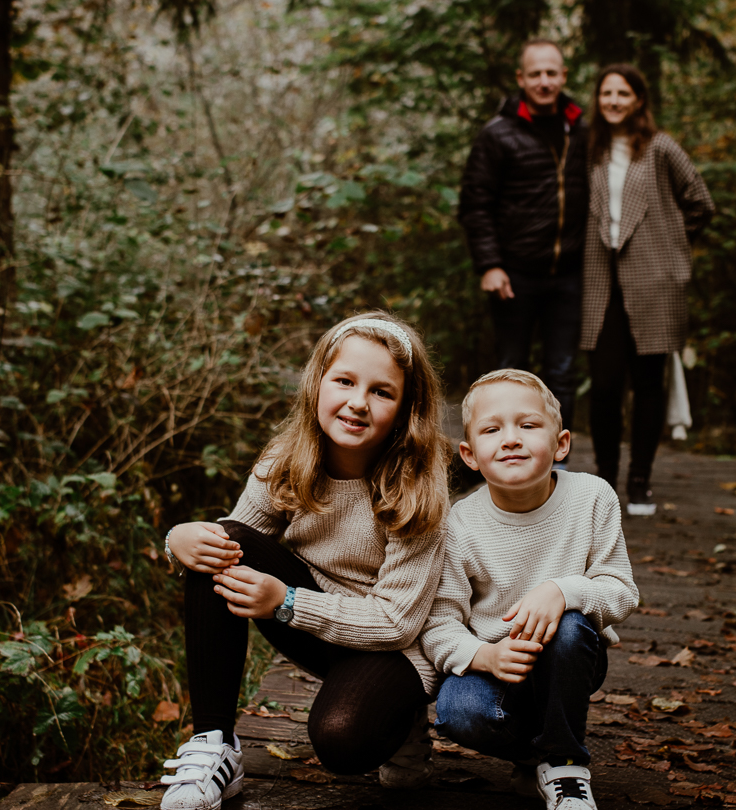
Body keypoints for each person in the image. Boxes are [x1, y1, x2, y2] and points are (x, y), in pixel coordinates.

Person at [157, 312, 452, 809]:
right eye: (344, 381)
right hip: (316, 627)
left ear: (405, 410)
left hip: (395, 649)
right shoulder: (286, 463)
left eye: (382, 392)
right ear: (318, 384)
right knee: (222, 542)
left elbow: (398, 622)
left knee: (342, 738)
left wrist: (287, 602)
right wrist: (177, 540)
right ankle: (214, 745)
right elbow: (233, 541)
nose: (357, 402)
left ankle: (400, 721)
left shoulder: (416, 489)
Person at [420, 369, 638, 810]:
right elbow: (439, 620)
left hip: (571, 655)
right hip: (494, 666)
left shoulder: (593, 497)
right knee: (455, 711)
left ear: (561, 444)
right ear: (469, 454)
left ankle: (564, 763)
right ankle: (534, 752)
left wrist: (563, 590)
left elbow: (621, 591)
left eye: (528, 425)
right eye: (492, 429)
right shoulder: (459, 524)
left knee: (572, 626)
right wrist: (485, 656)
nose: (511, 438)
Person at [579, 64, 714, 516]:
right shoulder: (590, 148)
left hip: (654, 282)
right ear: (598, 100)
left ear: (638, 100)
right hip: (603, 282)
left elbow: (700, 200)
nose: (613, 101)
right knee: (604, 385)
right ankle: (604, 483)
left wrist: (670, 244)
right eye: (606, 93)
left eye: (623, 93)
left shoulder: (659, 148)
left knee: (648, 384)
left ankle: (640, 482)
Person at [459, 39, 588, 445]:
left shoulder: (583, 130)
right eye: (536, 74)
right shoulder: (498, 135)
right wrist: (490, 265)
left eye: (552, 73)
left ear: (564, 76)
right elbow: (475, 204)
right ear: (521, 79)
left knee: (562, 371)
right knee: (510, 370)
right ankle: (499, 458)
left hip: (569, 274)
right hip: (514, 274)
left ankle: (557, 466)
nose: (544, 81)